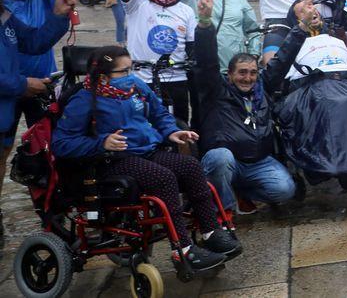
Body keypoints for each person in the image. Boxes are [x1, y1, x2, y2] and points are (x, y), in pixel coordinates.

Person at [51, 46, 240, 271]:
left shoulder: (135, 87)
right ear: (103, 75)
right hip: (111, 161)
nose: (129, 76)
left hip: (145, 151)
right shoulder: (84, 100)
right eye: (123, 71)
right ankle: (183, 251)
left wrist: (171, 131)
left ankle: (211, 233)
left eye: (130, 69)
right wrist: (100, 143)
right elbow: (61, 143)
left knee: (190, 167)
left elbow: (158, 113)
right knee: (163, 178)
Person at [193, 0, 296, 213]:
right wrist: (204, 23)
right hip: (223, 160)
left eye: (252, 73)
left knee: (285, 189)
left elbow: (283, 59)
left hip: (257, 162)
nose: (247, 78)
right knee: (221, 158)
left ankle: (241, 191)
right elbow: (206, 60)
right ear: (229, 74)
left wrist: (302, 28)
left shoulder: (262, 88)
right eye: (241, 73)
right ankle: (224, 209)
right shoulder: (216, 90)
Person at [0, 0, 74, 236]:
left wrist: (58, 14)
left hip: (24, 95)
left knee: (47, 148)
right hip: (9, 95)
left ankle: (52, 209)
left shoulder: (4, 16)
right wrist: (21, 84)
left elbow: (34, 41)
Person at [116, 0, 197, 124]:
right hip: (143, 78)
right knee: (144, 125)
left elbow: (191, 47)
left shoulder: (187, 11)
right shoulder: (137, 3)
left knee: (180, 126)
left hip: (176, 79)